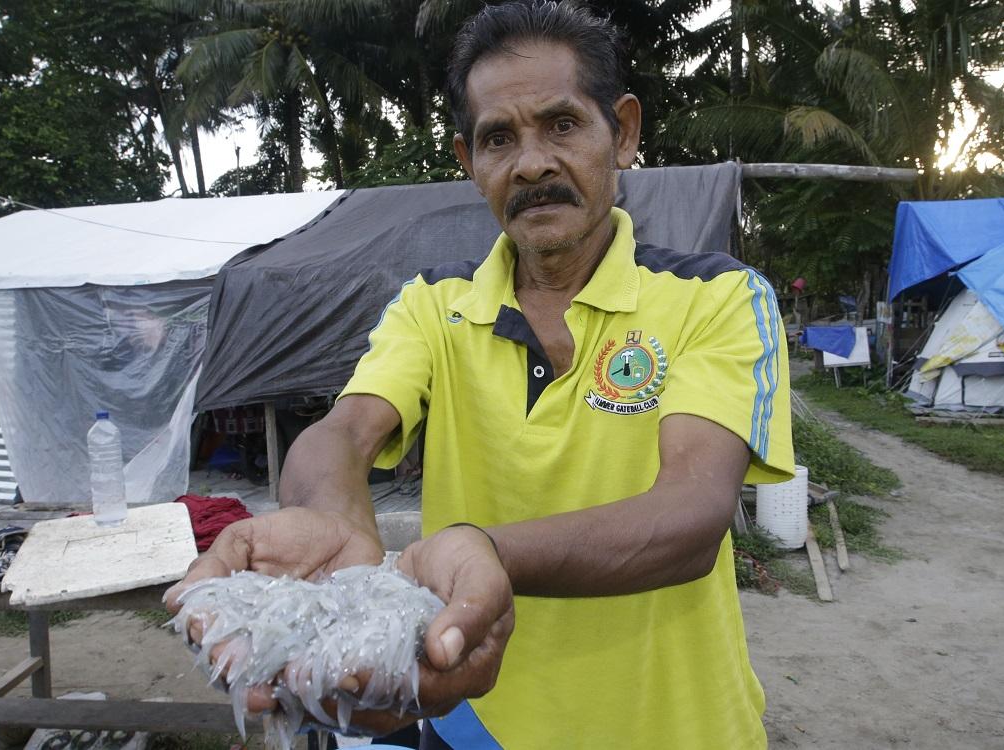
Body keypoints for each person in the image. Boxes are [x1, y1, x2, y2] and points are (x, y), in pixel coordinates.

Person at [166, 2, 794, 747]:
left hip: (677, 727)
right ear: (471, 165)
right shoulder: (434, 307)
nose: (531, 163)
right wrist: (332, 523)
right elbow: (344, 431)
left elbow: (691, 515)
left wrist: (489, 550)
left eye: (561, 124)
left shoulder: (717, 298)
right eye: (499, 138)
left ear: (622, 133)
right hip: (476, 723)